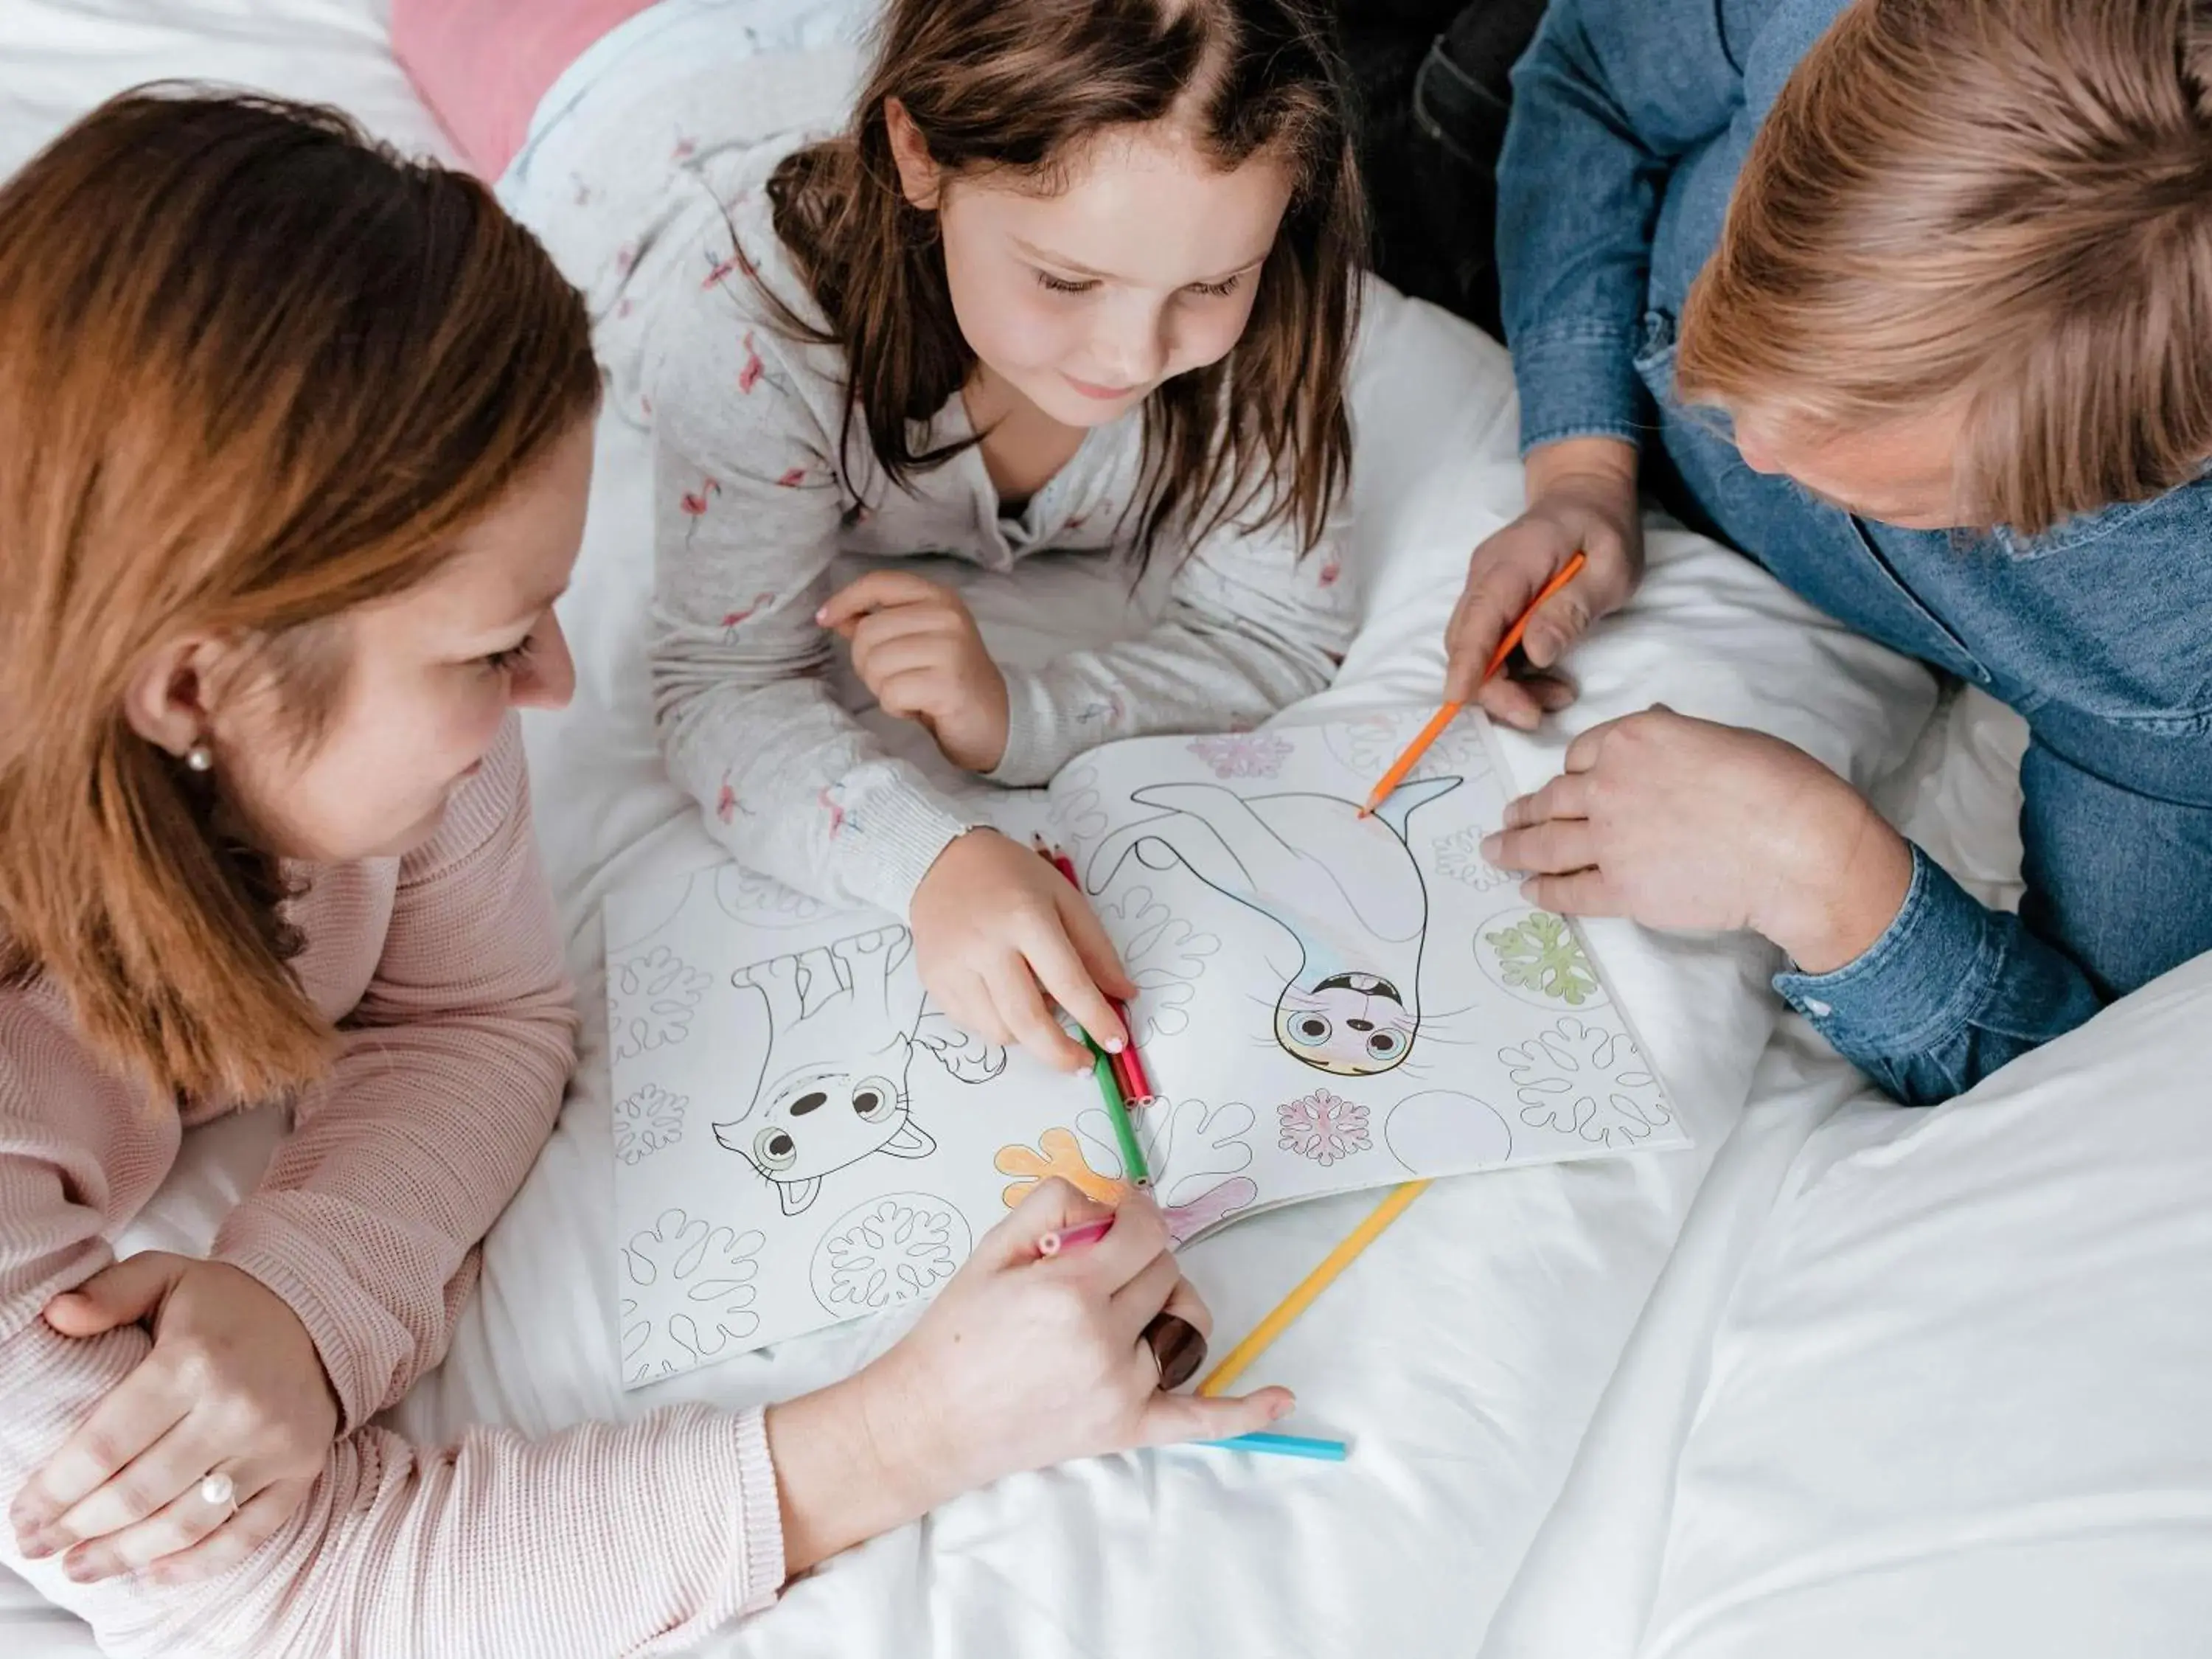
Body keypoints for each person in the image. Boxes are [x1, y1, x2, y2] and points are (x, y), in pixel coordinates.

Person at [0, 90, 1284, 1658]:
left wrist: (301, 1299)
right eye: (487, 648)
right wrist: (903, 1436)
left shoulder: (377, 715)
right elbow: (276, 1595)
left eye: (541, 606)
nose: (552, 684)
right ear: (194, 694)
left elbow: (479, 1014)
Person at [558, 0, 1366, 1074]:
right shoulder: (756, 313)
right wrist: (928, 858)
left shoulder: (1274, 300)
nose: (1132, 356)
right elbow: (718, 679)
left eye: (1212, 286)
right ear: (918, 156)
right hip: (621, 103)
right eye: (1067, 281)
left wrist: (1015, 716)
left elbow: (1277, 635)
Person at [1452, 0, 2212, 1105]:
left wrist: (1818, 866)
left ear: (2059, 498)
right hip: (1501, 173)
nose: (1744, 438)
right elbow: (1591, 76)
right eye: (1744, 297)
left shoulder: (2175, 667)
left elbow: (2080, 1086)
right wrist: (1581, 463)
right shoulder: (1854, 20)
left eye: (1870, 475)